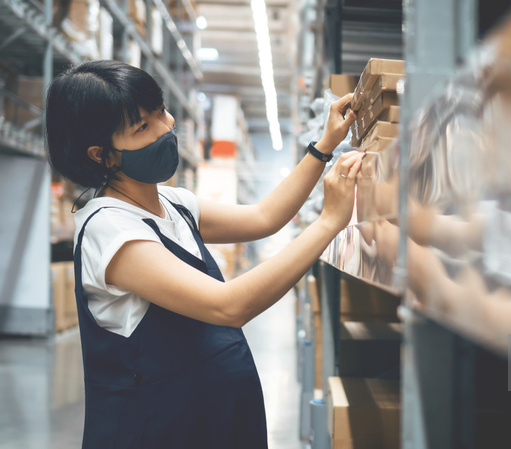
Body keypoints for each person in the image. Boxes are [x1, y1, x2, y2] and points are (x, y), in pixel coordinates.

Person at [44, 60, 362, 448]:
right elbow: (229, 306)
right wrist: (328, 223)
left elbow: (265, 217)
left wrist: (324, 146)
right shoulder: (109, 228)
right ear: (102, 155)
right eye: (143, 127)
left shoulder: (173, 203)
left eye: (161, 111)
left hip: (215, 424)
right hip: (157, 433)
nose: (166, 128)